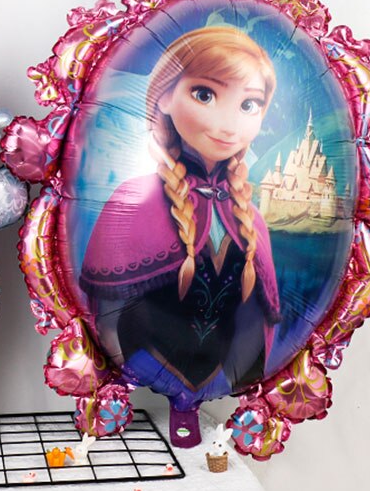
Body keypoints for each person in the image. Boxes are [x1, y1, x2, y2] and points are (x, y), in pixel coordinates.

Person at [80, 26, 281, 419]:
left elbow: (255, 324)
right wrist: (140, 372)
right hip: (144, 375)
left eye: (249, 104)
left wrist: (234, 382)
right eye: (205, 94)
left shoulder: (250, 216)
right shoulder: (133, 200)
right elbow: (106, 318)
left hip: (222, 387)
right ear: (165, 96)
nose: (229, 124)